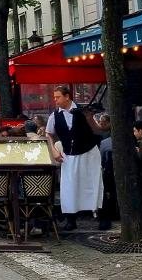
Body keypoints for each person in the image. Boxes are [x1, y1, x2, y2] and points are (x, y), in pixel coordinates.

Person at [46, 85, 103, 231]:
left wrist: (90, 118)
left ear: (67, 96)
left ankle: (102, 217)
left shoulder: (83, 111)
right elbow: (48, 134)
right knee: (69, 187)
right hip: (69, 154)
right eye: (54, 97)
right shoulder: (54, 115)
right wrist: (53, 150)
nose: (55, 100)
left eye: (58, 97)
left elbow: (98, 131)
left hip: (89, 151)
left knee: (94, 183)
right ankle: (71, 220)